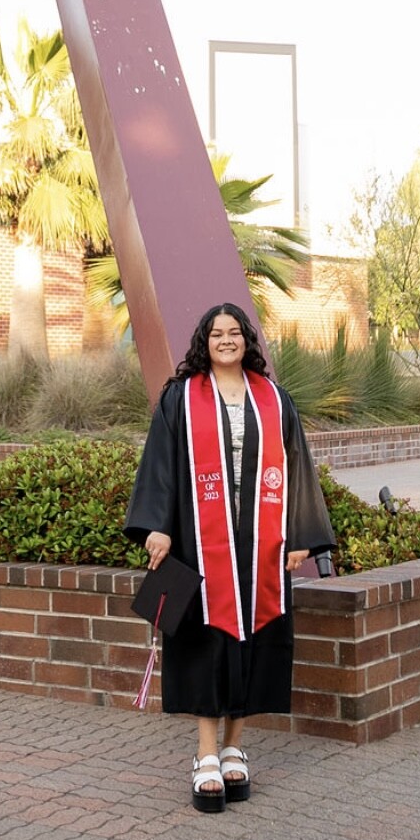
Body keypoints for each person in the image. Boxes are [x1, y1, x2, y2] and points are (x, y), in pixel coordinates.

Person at [124, 302, 336, 813]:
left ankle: (237, 744)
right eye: (216, 333)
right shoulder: (180, 398)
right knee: (205, 638)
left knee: (256, 636)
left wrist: (301, 534)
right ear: (204, 340)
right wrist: (157, 526)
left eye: (234, 332)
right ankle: (204, 754)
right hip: (202, 539)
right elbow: (161, 464)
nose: (225, 340)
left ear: (247, 340)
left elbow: (298, 464)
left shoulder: (274, 399)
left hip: (261, 541)